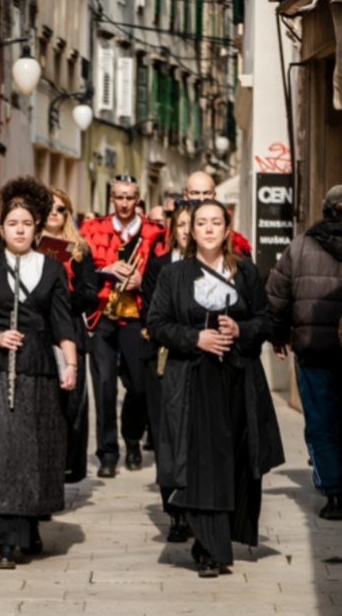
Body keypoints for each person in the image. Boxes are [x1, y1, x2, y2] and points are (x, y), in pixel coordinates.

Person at [147, 199, 284, 578]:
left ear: (227, 230)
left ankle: (216, 537)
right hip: (193, 381)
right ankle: (210, 548)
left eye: (215, 223)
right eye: (200, 223)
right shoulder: (173, 276)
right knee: (203, 463)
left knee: (234, 462)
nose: (208, 229)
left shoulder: (247, 273)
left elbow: (265, 319)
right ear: (189, 230)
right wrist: (196, 338)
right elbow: (156, 323)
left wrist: (241, 330)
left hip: (238, 379)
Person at [0, 186, 78, 569]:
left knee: (33, 453)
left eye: (26, 224)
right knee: (0, 455)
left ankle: (28, 525)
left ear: (37, 229)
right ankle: (4, 543)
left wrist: (71, 366)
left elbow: (64, 323)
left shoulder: (52, 268)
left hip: (39, 370)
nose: (19, 230)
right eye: (11, 224)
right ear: (1, 229)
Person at [268, 185, 342, 520]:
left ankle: (334, 495)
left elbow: (277, 295)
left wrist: (277, 336)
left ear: (325, 210)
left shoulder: (300, 246)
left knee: (320, 422)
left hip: (314, 349)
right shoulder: (299, 245)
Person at [80, 174, 165, 477]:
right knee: (103, 386)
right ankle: (107, 452)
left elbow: (165, 272)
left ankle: (132, 441)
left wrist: (144, 282)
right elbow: (81, 271)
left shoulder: (156, 232)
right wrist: (105, 270)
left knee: (139, 387)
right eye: (120, 196)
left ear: (138, 198)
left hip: (136, 317)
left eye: (130, 197)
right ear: (111, 198)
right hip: (102, 315)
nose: (125, 203)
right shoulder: (91, 230)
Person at [142, 200, 193, 543]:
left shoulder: (216, 267)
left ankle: (196, 506)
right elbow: (150, 313)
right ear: (172, 228)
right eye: (183, 224)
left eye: (195, 223)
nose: (189, 231)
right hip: (162, 361)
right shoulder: (159, 266)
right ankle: (174, 511)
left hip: (200, 363)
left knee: (194, 436)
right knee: (166, 437)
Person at [39, 185, 97, 484]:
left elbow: (90, 292)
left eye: (60, 209)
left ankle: (67, 467)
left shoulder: (80, 249)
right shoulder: (28, 244)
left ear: (68, 214)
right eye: (48, 207)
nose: (54, 213)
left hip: (69, 332)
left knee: (71, 403)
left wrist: (60, 297)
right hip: (37, 331)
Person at [183, 172, 251, 255]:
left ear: (214, 196)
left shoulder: (235, 243)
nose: (201, 198)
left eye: (206, 193)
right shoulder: (171, 236)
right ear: (185, 196)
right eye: (195, 193)